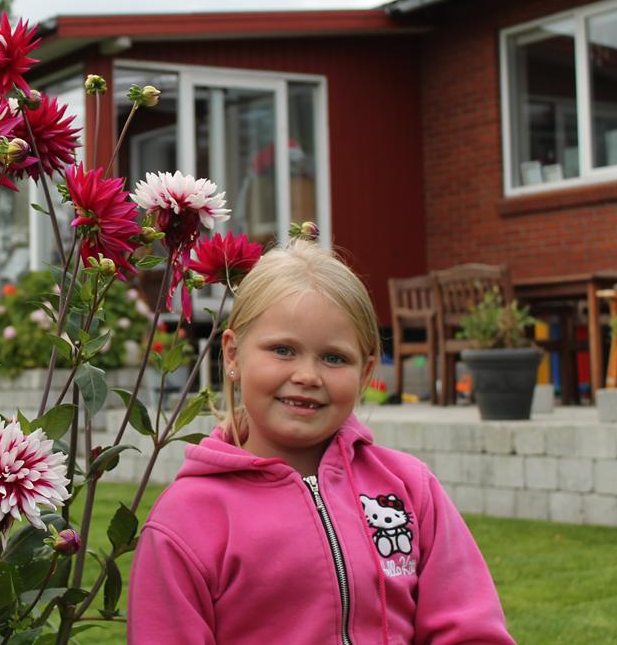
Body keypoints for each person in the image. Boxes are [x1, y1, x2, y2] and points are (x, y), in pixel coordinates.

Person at [128, 237, 514, 644]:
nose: (308, 376)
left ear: (365, 374)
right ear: (233, 354)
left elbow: (472, 630)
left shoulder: (410, 489)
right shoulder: (186, 520)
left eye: (334, 358)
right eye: (283, 350)